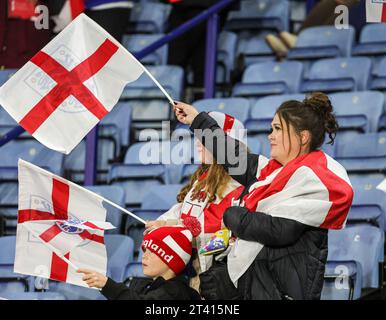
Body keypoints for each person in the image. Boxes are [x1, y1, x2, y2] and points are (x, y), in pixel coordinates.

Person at [173, 92, 354, 300]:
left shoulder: (314, 179)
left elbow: (277, 230)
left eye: (277, 129)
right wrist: (196, 119)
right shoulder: (271, 172)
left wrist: (232, 215)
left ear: (302, 137)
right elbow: (232, 155)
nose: (270, 135)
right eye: (271, 128)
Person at [144, 112, 245, 292]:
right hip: (196, 273)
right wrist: (161, 225)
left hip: (222, 278)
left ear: (226, 144)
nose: (198, 143)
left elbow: (218, 227)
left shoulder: (237, 181)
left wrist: (171, 226)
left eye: (205, 139)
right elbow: (182, 211)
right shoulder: (203, 177)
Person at [77, 225, 202, 300]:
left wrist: (107, 285)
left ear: (170, 260)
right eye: (144, 250)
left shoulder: (176, 292)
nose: (144, 256)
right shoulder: (144, 286)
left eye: (152, 252)